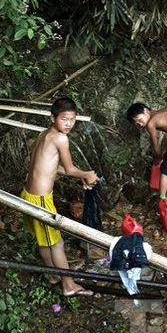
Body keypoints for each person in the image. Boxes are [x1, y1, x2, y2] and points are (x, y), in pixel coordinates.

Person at [20, 97, 98, 297]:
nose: (69, 124)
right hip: (40, 201)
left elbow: (52, 166)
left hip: (28, 195)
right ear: (52, 117)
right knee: (56, 243)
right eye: (64, 119)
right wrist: (87, 174)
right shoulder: (61, 139)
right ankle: (68, 285)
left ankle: (53, 275)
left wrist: (80, 175)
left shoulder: (44, 134)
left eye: (72, 119)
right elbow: (70, 168)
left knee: (45, 240)